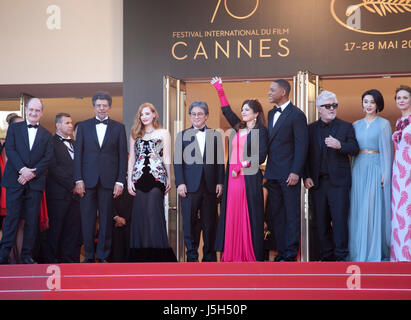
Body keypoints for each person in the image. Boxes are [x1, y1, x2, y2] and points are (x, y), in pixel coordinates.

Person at [211, 77, 268, 262]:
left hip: (248, 178)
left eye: (246, 110)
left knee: (249, 215)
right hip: (233, 179)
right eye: (242, 109)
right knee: (231, 214)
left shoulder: (261, 132)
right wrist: (219, 89)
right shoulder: (237, 127)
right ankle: (231, 255)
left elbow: (260, 157)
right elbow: (226, 110)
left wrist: (241, 166)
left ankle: (247, 255)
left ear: (256, 114)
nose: (243, 112)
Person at [304, 91, 359, 261]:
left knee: (340, 221)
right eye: (328, 106)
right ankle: (326, 257)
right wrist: (306, 176)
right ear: (319, 108)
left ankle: (341, 256)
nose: (332, 109)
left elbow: (355, 148)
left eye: (334, 105)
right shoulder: (310, 129)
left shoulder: (346, 126)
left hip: (339, 183)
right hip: (318, 183)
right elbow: (305, 155)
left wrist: (340, 145)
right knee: (320, 222)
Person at [74, 92, 128, 263]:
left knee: (106, 220)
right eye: (99, 105)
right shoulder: (83, 126)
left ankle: (103, 256)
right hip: (87, 181)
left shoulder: (119, 128)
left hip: (109, 181)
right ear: (94, 106)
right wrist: (78, 180)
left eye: (105, 105)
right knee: (87, 220)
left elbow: (121, 156)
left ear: (109, 107)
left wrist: (120, 181)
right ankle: (89, 256)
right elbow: (78, 156)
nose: (102, 108)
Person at [0, 98, 53, 264]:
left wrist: (31, 173)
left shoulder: (46, 134)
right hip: (15, 179)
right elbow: (10, 149)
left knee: (31, 220)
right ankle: (3, 255)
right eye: (31, 110)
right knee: (11, 218)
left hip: (35, 181)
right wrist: (22, 170)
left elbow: (47, 158)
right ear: (26, 110)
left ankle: (26, 256)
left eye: (37, 110)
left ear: (41, 113)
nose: (33, 113)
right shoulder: (14, 128)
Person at [174, 101, 225, 262]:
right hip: (189, 186)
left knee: (210, 224)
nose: (196, 117)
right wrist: (180, 183)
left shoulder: (215, 135)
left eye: (200, 114)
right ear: (190, 116)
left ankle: (209, 257)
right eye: (193, 114)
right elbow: (177, 162)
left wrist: (220, 182)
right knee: (189, 223)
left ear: (206, 116)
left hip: (210, 186)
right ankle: (192, 256)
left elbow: (219, 161)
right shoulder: (181, 135)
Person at [264, 79, 308, 262]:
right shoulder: (270, 113)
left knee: (291, 214)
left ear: (283, 92)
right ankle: (281, 251)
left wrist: (296, 171)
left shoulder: (297, 115)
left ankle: (290, 253)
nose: (269, 92)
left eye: (272, 90)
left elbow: (302, 145)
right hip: (273, 172)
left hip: (289, 174)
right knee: (277, 216)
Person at [127, 102, 176, 262]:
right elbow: (132, 159)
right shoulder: (135, 133)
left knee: (153, 213)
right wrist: (129, 181)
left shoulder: (163, 132)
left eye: (147, 113)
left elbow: (167, 156)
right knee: (140, 214)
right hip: (139, 178)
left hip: (157, 177)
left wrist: (169, 178)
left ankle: (159, 253)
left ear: (154, 115)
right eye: (142, 114)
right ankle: (140, 255)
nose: (144, 117)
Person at [349, 89, 392, 262]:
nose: (368, 105)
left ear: (378, 105)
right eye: (366, 101)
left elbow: (387, 152)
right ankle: (358, 252)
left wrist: (385, 173)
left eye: (372, 102)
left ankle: (373, 253)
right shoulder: (355, 125)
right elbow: (352, 151)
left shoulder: (384, 124)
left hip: (376, 167)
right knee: (358, 209)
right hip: (358, 167)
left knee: (372, 207)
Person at [45, 113, 81, 263]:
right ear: (58, 125)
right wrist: (72, 185)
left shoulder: (75, 143)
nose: (71, 125)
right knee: (55, 228)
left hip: (76, 195)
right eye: (67, 123)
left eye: (71, 123)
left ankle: (70, 260)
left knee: (72, 229)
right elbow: (53, 167)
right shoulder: (50, 142)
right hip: (58, 194)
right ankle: (51, 260)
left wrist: (79, 184)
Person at [391, 85, 411, 262]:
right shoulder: (399, 122)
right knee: (400, 211)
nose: (401, 100)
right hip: (399, 170)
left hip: (410, 168)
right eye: (398, 98)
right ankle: (399, 255)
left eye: (405, 97)